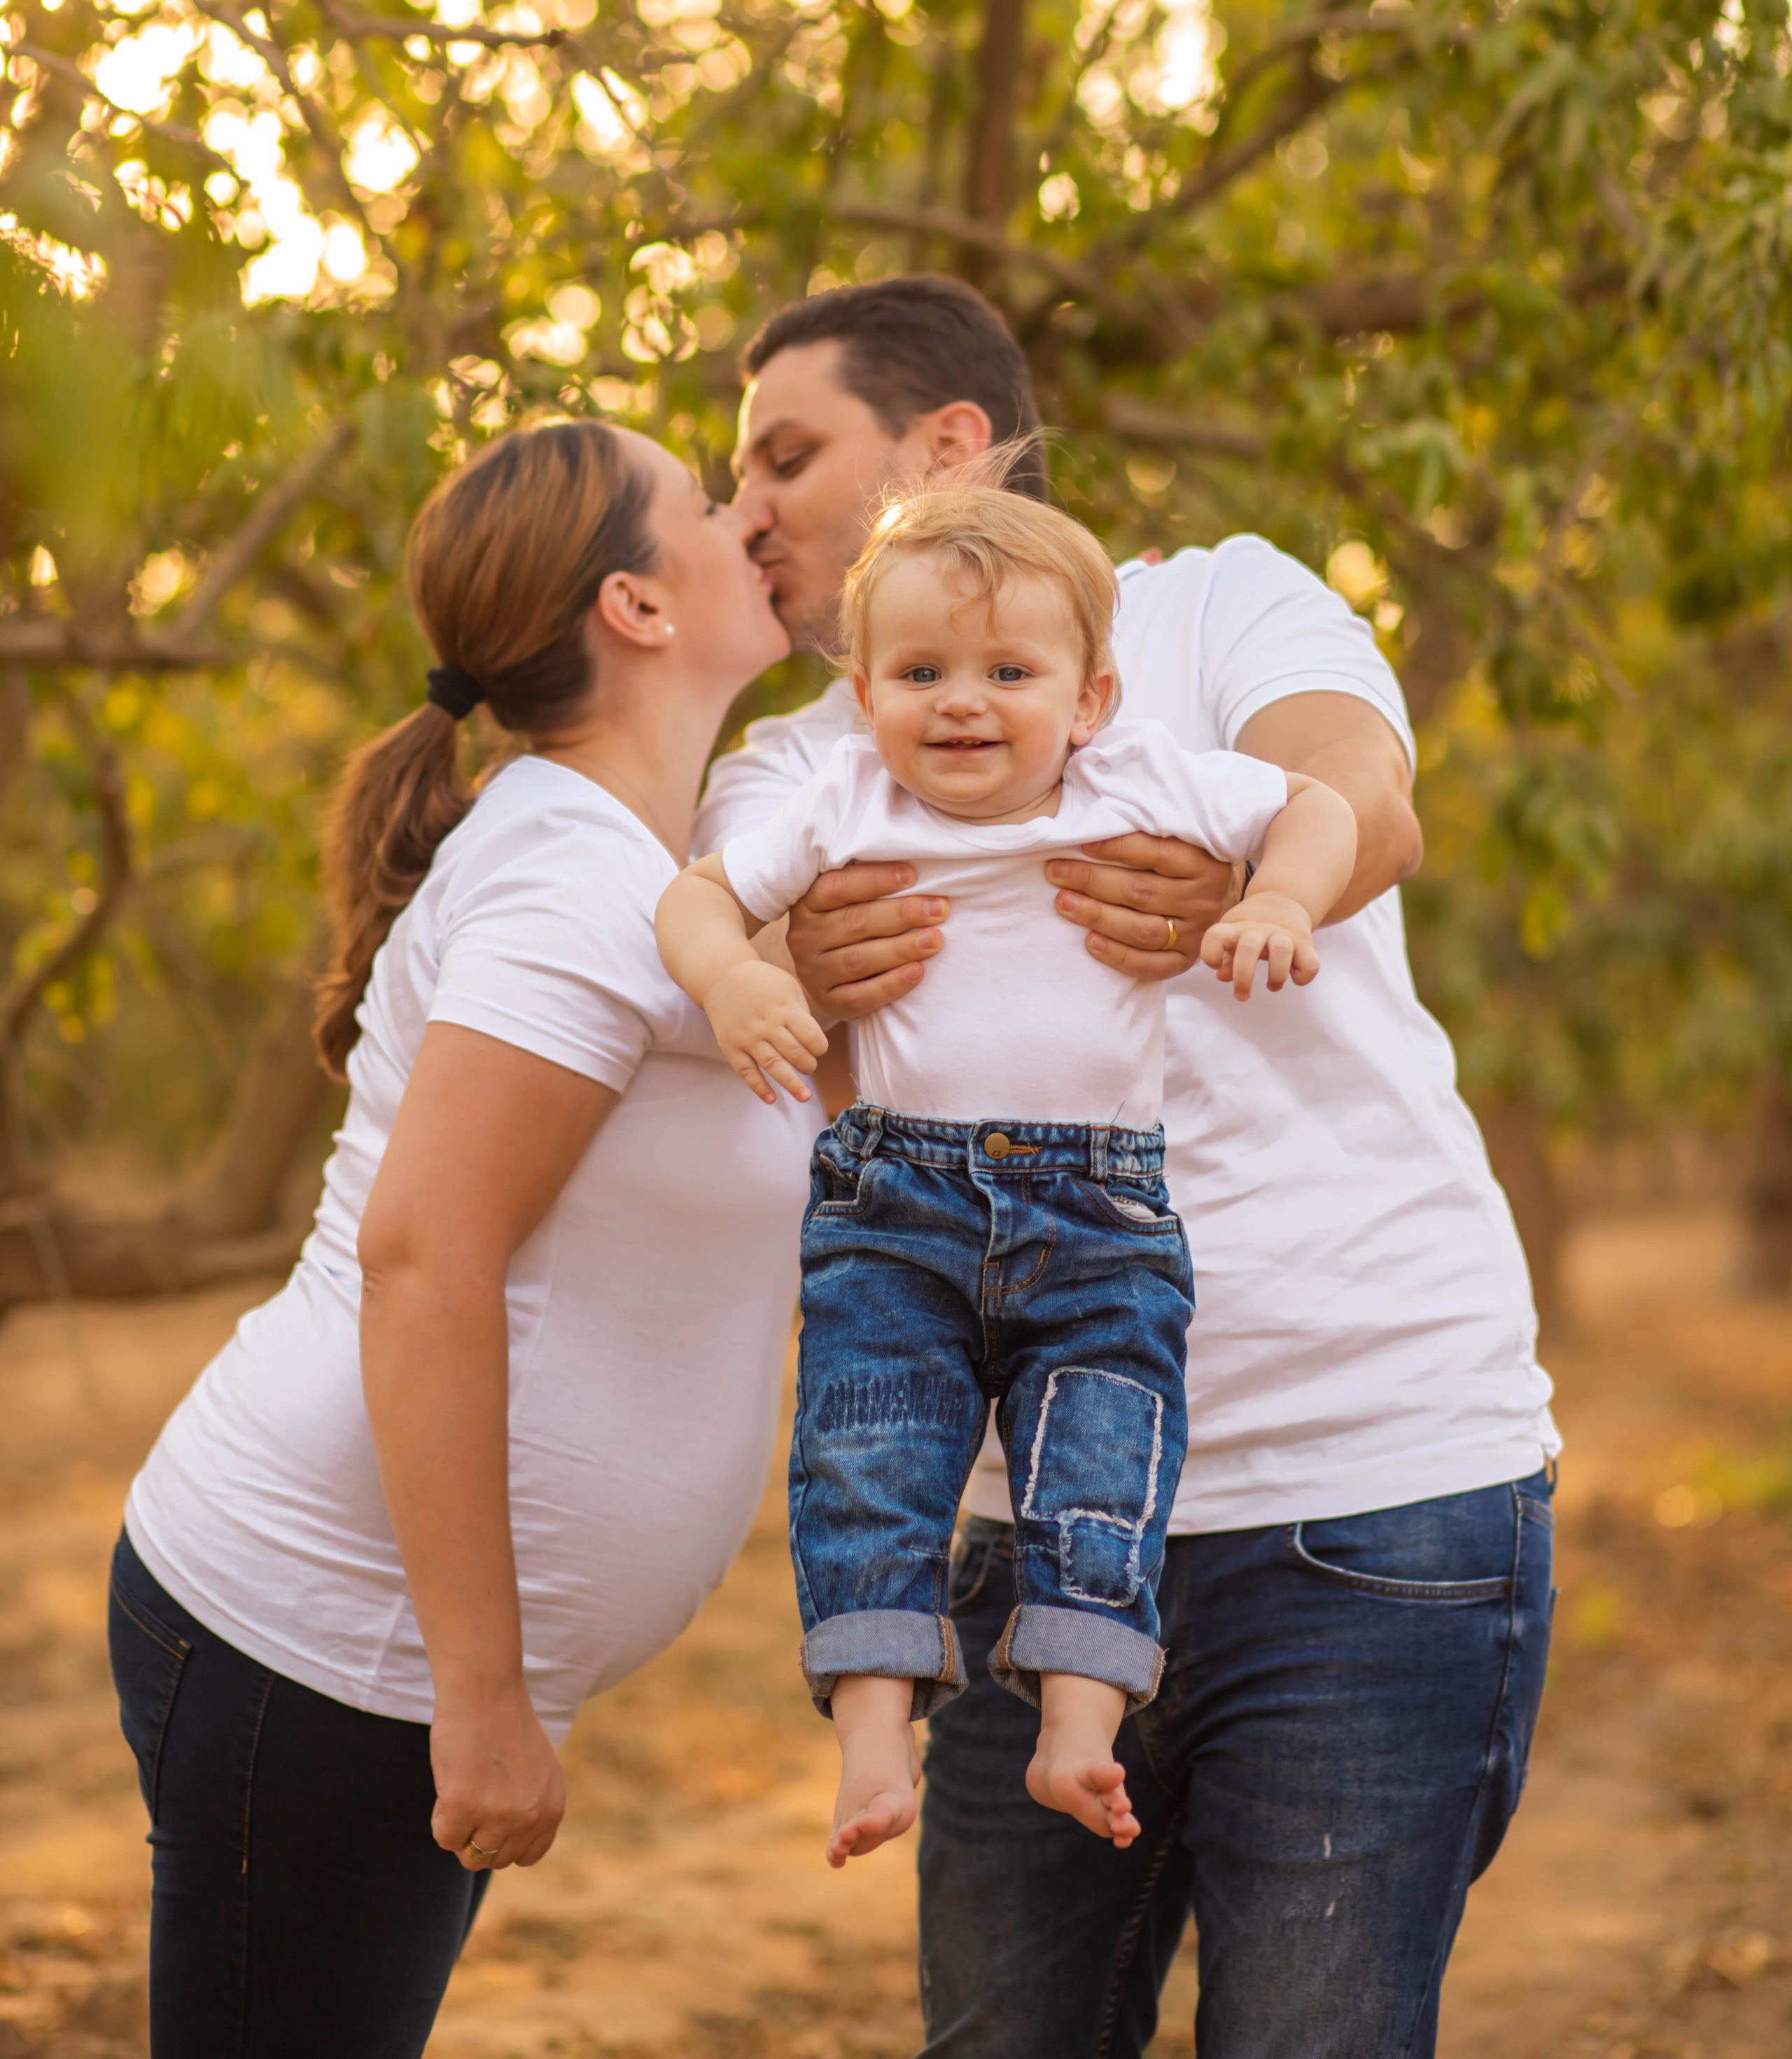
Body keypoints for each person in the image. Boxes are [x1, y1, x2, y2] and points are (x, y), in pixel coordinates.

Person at [696, 277, 1560, 2059]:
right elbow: (781, 1053)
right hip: (1021, 1533)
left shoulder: (1208, 606)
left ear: (945, 445)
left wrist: (1254, 891)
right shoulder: (803, 766)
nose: (742, 513)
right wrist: (784, 971)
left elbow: (1363, 792)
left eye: (782, 457)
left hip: (1365, 1496)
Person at [108, 418, 812, 2059]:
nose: (746, 517)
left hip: (362, 1657)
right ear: (636, 604)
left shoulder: (655, 871)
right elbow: (425, 1257)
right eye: (708, 500)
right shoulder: (572, 880)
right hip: (324, 1647)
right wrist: (480, 1699)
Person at [659, 473, 1357, 1869]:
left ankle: (1076, 1727)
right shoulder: (843, 799)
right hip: (895, 1207)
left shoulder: (1141, 777)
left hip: (1098, 1214)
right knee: (869, 1452)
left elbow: (1320, 805)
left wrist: (1278, 895)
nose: (962, 703)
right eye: (921, 673)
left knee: (1103, 1455)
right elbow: (696, 897)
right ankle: (874, 1734)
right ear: (865, 695)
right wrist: (737, 979)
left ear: (1088, 700)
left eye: (1008, 673)